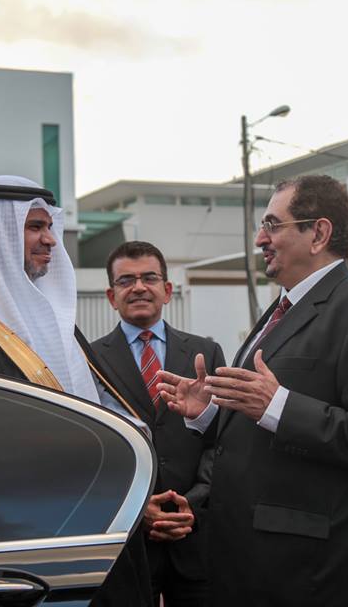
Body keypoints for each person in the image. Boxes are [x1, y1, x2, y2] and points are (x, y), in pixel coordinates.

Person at [158, 175, 348, 606]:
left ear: (318, 233)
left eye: (272, 225)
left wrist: (278, 405)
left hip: (318, 572)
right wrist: (211, 414)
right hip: (260, 564)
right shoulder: (283, 307)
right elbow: (266, 426)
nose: (260, 239)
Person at [0, 175, 153, 607]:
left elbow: (97, 404)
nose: (49, 240)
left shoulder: (51, 315)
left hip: (91, 514)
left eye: (50, 227)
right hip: (13, 533)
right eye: (35, 227)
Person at [92, 241, 225, 607]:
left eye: (149, 278)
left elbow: (222, 438)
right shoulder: (89, 361)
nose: (138, 287)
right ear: (111, 295)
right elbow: (93, 449)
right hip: (129, 540)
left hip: (196, 535)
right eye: (126, 280)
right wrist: (137, 507)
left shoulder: (205, 352)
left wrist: (192, 503)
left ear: (167, 290)